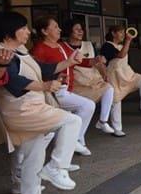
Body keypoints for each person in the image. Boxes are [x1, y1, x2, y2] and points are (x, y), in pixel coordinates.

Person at [0, 11, 83, 194]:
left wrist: (68, 63)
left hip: (28, 108)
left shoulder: (19, 50)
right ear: (9, 32)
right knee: (72, 121)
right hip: (23, 111)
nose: (27, 31)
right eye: (23, 27)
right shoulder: (2, 53)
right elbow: (13, 83)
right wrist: (44, 85)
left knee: (34, 156)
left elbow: (43, 68)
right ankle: (57, 166)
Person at [31, 16, 96, 156]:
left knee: (66, 125)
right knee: (87, 106)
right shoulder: (40, 49)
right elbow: (37, 72)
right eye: (55, 27)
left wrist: (93, 61)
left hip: (67, 87)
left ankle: (64, 157)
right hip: (54, 91)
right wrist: (54, 78)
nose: (59, 29)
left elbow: (74, 62)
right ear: (44, 31)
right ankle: (73, 142)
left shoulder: (60, 45)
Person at [60, 20, 115, 135]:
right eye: (77, 29)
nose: (80, 31)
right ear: (69, 31)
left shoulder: (89, 45)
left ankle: (102, 121)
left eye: (81, 29)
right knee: (81, 111)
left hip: (93, 81)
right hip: (76, 85)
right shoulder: (62, 47)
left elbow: (97, 62)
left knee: (109, 88)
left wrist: (104, 72)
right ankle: (77, 138)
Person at [101, 25, 141, 137]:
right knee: (116, 101)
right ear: (113, 33)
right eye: (120, 32)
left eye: (124, 33)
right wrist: (128, 41)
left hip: (127, 74)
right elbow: (121, 55)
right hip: (115, 76)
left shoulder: (122, 45)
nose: (123, 35)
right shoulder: (107, 46)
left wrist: (127, 42)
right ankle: (117, 129)